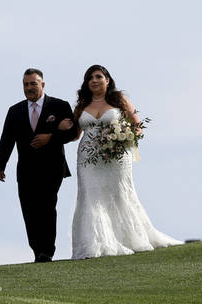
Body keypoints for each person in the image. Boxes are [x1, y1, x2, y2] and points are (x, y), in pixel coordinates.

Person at [70, 64, 182, 259]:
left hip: (117, 156)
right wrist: (64, 127)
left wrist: (125, 137)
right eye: (90, 78)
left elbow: (137, 125)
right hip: (88, 159)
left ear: (107, 80)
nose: (94, 81)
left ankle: (128, 238)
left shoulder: (119, 99)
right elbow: (75, 135)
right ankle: (94, 244)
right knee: (91, 195)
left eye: (98, 76)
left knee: (119, 193)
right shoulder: (81, 106)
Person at [0, 68, 79, 262]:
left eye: (33, 83)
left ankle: (47, 251)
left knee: (47, 207)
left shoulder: (59, 106)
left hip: (52, 167)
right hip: (26, 169)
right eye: (26, 84)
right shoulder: (14, 111)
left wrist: (51, 137)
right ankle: (37, 250)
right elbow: (6, 140)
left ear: (42, 84)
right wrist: (0, 166)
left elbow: (72, 134)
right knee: (29, 210)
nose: (29, 87)